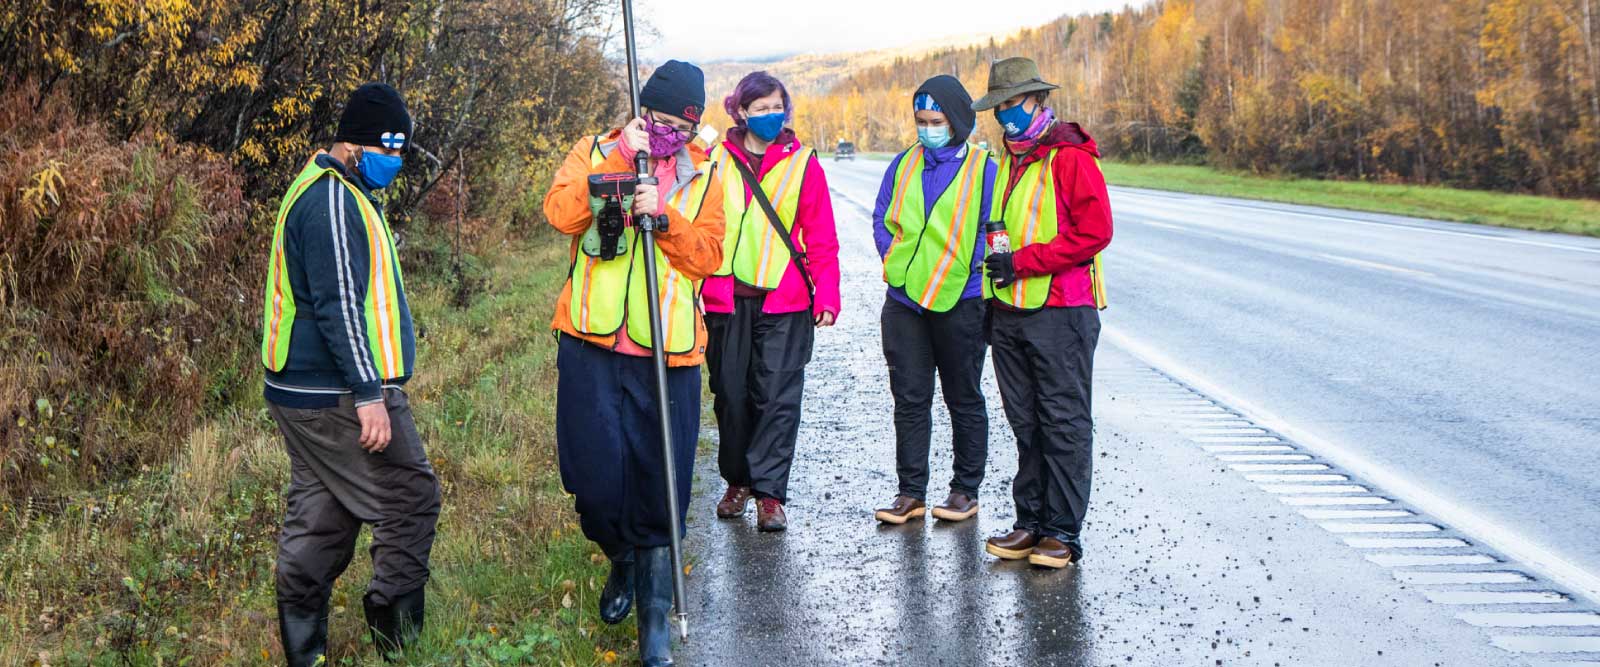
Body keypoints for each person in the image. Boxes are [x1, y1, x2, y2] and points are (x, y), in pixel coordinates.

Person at [544, 60, 724, 667]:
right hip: (591, 345)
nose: (667, 132)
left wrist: (666, 218)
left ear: (694, 124)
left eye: (680, 125)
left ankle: (654, 622)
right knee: (591, 483)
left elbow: (710, 257)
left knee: (660, 487)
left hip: (668, 355)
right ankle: (619, 557)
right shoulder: (597, 149)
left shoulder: (706, 174)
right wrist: (620, 157)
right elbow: (560, 214)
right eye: (657, 119)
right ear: (641, 112)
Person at [259, 82, 440, 665]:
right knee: (410, 495)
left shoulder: (327, 189)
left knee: (324, 508)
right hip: (334, 390)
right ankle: (398, 638)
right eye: (391, 148)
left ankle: (303, 646)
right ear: (358, 145)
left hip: (302, 389)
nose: (397, 160)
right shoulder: (334, 202)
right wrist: (369, 394)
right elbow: (339, 304)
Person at [971, 57, 1112, 569]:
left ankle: (1062, 532)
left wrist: (1023, 263)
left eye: (1013, 103)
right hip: (1010, 308)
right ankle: (1029, 522)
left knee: (1063, 422)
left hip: (1061, 310)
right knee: (1025, 422)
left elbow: (1094, 233)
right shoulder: (1009, 158)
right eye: (999, 106)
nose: (1006, 114)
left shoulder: (1069, 157)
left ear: (1038, 101)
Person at [703, 71, 841, 532]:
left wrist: (828, 295)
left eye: (775, 107)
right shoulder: (714, 160)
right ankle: (737, 480)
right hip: (726, 298)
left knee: (777, 399)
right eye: (759, 108)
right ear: (740, 111)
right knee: (731, 395)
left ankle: (769, 493)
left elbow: (822, 237)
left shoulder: (803, 163)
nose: (769, 115)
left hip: (785, 300)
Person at [869, 75, 997, 526]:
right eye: (920, 121)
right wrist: (892, 260)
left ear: (958, 121)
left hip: (960, 300)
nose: (926, 129)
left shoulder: (984, 169)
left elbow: (991, 229)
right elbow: (883, 216)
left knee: (963, 397)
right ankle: (911, 493)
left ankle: (965, 490)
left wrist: (967, 273)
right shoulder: (904, 162)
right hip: (905, 302)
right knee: (909, 398)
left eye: (935, 121)